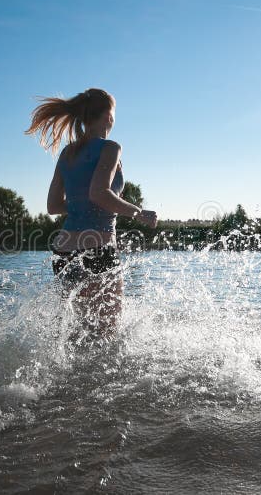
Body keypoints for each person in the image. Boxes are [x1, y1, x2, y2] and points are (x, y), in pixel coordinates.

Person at [25, 88, 158, 340]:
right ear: (108, 116)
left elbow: (53, 206)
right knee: (107, 334)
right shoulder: (110, 148)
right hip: (96, 247)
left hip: (63, 251)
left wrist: (78, 203)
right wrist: (138, 212)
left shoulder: (67, 153)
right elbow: (99, 193)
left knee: (75, 332)